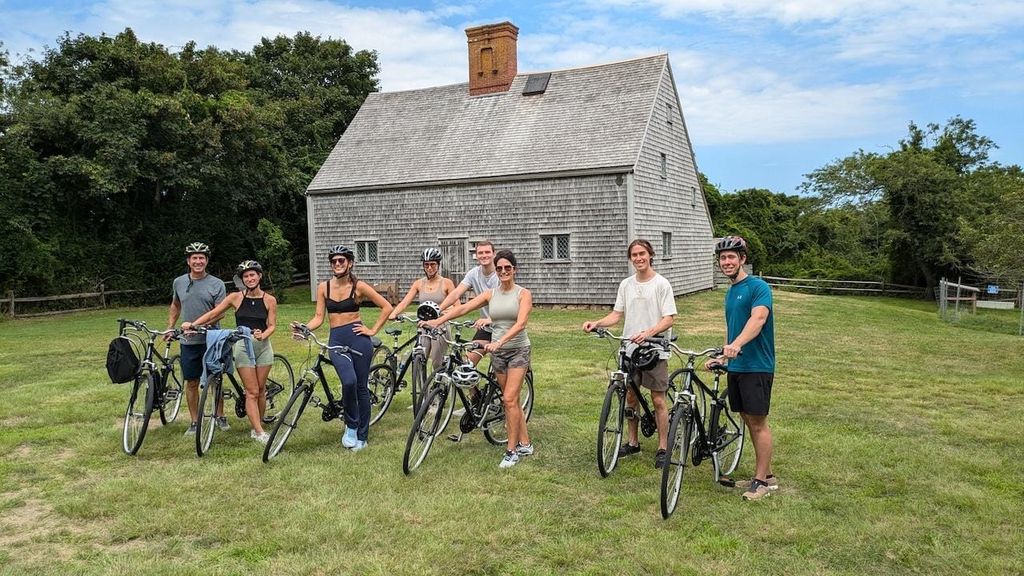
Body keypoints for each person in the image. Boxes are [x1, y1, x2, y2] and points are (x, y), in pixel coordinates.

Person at [424, 249, 533, 468]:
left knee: (509, 399)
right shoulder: (491, 294)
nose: (503, 272)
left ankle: (511, 451)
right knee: (510, 400)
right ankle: (526, 443)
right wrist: (437, 320)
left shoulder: (523, 294)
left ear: (514, 270)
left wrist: (500, 341)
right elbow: (463, 308)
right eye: (500, 268)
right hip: (498, 353)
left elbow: (521, 323)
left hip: (518, 349)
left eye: (507, 268)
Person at [582, 239, 677, 469]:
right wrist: (597, 323)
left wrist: (648, 333)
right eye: (634, 255)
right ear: (630, 258)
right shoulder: (626, 284)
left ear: (650, 255)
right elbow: (616, 315)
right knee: (631, 398)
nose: (638, 258)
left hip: (654, 349)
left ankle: (663, 447)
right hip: (630, 350)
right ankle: (632, 442)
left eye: (642, 253)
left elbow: (669, 318)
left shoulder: (661, 284)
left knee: (658, 399)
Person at [295, 245, 393, 451]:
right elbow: (319, 317)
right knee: (348, 381)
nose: (337, 264)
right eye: (334, 261)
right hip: (337, 338)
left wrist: (372, 329)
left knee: (360, 387)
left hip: (358, 340)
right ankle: (351, 425)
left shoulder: (359, 286)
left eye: (341, 260)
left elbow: (387, 307)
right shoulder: (324, 287)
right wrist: (305, 328)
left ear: (350, 263)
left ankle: (362, 437)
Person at [706, 235, 777, 501]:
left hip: (757, 365)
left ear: (742, 259)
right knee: (747, 419)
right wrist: (723, 356)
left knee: (758, 423)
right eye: (723, 258)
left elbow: (758, 319)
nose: (726, 262)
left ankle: (761, 484)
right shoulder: (730, 292)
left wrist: (736, 345)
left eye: (731, 257)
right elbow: (732, 329)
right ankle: (766, 475)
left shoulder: (758, 287)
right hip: (737, 366)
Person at [182, 260, 278, 445]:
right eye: (246, 276)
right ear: (242, 280)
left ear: (259, 276)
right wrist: (193, 324)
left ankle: (257, 425)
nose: (249, 278)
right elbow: (213, 313)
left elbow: (272, 325)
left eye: (252, 275)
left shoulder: (269, 300)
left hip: (263, 347)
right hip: (243, 345)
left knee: (260, 391)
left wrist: (263, 334)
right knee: (251, 391)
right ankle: (258, 432)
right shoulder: (235, 297)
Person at [166, 242, 227, 436]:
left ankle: (219, 416)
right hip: (188, 340)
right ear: (188, 261)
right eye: (194, 258)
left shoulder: (217, 284)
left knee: (215, 379)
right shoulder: (179, 282)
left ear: (207, 261)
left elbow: (220, 313)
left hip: (211, 338)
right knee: (191, 382)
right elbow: (175, 305)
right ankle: (194, 421)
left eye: (202, 258)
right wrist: (170, 326)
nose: (198, 261)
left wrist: (198, 325)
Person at [389, 248, 457, 370]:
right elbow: (405, 302)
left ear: (438, 265)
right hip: (424, 325)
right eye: (426, 265)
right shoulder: (419, 283)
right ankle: (422, 388)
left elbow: (458, 306)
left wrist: (449, 311)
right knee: (419, 359)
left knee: (437, 361)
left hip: (440, 326)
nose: (429, 268)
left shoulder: (446, 283)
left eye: (432, 265)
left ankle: (438, 388)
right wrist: (394, 313)